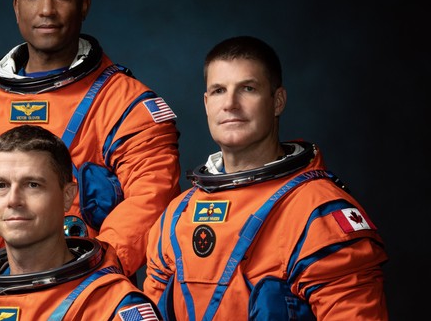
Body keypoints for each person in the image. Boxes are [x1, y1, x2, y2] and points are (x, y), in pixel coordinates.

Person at [0, 0, 181, 278]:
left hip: (85, 294)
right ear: (17, 7)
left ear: (84, 5)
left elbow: (151, 198)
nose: (47, 10)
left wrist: (90, 275)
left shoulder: (127, 105)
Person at [144, 35, 389, 320]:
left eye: (248, 88)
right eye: (219, 90)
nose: (231, 104)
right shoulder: (177, 216)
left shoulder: (318, 213)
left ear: (277, 101)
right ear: (207, 103)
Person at [0, 124, 163, 320]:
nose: (13, 200)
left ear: (68, 196)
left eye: (32, 185)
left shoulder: (111, 306)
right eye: (1, 186)